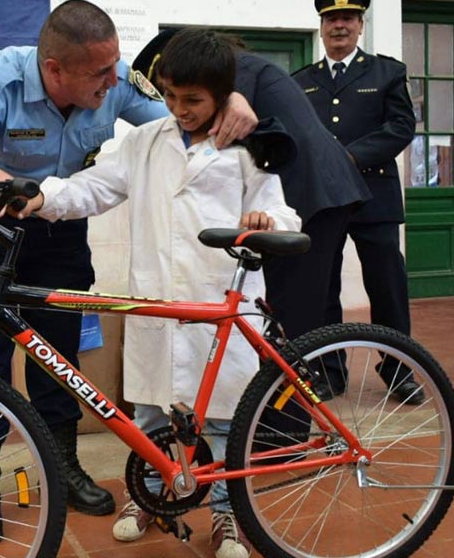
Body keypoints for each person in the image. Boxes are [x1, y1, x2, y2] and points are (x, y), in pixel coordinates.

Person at [0, 0, 258, 546]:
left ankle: (61, 467)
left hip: (58, 220)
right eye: (100, 73)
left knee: (57, 353)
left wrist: (234, 98)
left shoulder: (118, 79)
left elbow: (183, 132)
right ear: (55, 69)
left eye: (116, 67)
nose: (116, 80)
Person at [20, 28, 301, 558]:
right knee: (148, 417)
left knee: (222, 423)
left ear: (222, 94)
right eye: (170, 96)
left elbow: (283, 211)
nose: (179, 109)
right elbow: (95, 187)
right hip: (155, 302)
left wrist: (266, 218)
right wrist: (42, 197)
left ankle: (225, 515)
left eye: (192, 100)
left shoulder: (247, 150)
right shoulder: (145, 142)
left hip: (217, 302)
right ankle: (147, 497)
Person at [293, 0, 420, 403]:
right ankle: (329, 373)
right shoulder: (301, 80)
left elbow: (401, 127)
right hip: (323, 200)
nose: (339, 26)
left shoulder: (387, 72)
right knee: (322, 287)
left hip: (374, 195)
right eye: (331, 19)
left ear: (360, 25)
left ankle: (399, 371)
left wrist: (348, 157)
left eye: (347, 18)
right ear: (322, 26)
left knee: (387, 288)